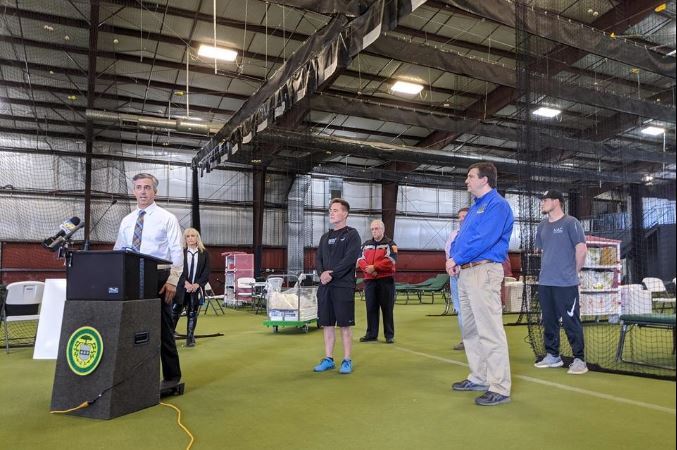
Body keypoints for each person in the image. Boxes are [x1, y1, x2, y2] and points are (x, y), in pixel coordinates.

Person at [446, 162, 514, 406]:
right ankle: (479, 376)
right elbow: (462, 238)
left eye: (470, 176)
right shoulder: (476, 207)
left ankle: (500, 386)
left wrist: (457, 258)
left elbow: (483, 239)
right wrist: (453, 259)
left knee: (490, 330)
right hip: (465, 273)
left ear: (485, 180)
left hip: (484, 271)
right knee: (471, 330)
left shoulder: (497, 205)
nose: (467, 180)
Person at [114, 173, 183, 388]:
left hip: (159, 277)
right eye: (138, 187)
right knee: (130, 327)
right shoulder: (126, 221)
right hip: (132, 277)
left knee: (163, 328)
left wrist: (173, 280)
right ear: (133, 191)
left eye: (147, 187)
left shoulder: (167, 218)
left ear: (155, 192)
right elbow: (119, 250)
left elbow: (176, 251)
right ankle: (134, 375)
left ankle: (172, 377)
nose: (143, 191)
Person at [534, 190, 588, 375]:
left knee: (570, 321)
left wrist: (574, 272)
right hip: (545, 282)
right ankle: (553, 355)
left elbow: (581, 249)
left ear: (557, 201)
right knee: (549, 320)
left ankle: (579, 359)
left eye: (545, 199)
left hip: (566, 283)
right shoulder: (542, 226)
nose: (542, 203)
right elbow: (543, 252)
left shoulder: (571, 223)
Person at [313, 198, 362, 375]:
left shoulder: (352, 234)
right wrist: (321, 274)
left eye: (335, 210)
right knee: (327, 324)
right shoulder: (325, 237)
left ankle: (347, 360)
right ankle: (328, 358)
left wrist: (331, 274)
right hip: (325, 287)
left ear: (345, 213)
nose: (331, 213)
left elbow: (349, 259)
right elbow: (318, 259)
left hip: (343, 286)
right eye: (330, 210)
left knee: (344, 325)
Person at [357, 220, 398, 344]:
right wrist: (369, 270)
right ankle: (371, 334)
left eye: (377, 228)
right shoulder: (365, 245)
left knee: (387, 309)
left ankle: (389, 335)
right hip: (370, 282)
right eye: (372, 229)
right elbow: (360, 259)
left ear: (383, 230)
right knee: (371, 308)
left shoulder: (391, 244)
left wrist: (375, 268)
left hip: (386, 281)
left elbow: (391, 260)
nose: (374, 231)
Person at [172, 227, 211, 348]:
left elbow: (206, 271)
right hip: (182, 287)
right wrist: (186, 283)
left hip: (196, 288)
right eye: (187, 236)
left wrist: (197, 284)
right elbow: (177, 269)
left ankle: (190, 337)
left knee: (192, 312)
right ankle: (170, 334)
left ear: (197, 238)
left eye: (192, 236)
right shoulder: (181, 252)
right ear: (185, 239)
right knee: (175, 311)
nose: (190, 238)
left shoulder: (204, 253)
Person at [445, 207, 469, 350]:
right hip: (454, 276)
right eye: (459, 217)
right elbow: (448, 252)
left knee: (471, 309)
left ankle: (477, 340)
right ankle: (465, 339)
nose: (461, 219)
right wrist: (449, 266)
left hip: (467, 274)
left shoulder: (474, 233)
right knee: (459, 308)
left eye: (464, 216)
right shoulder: (453, 234)